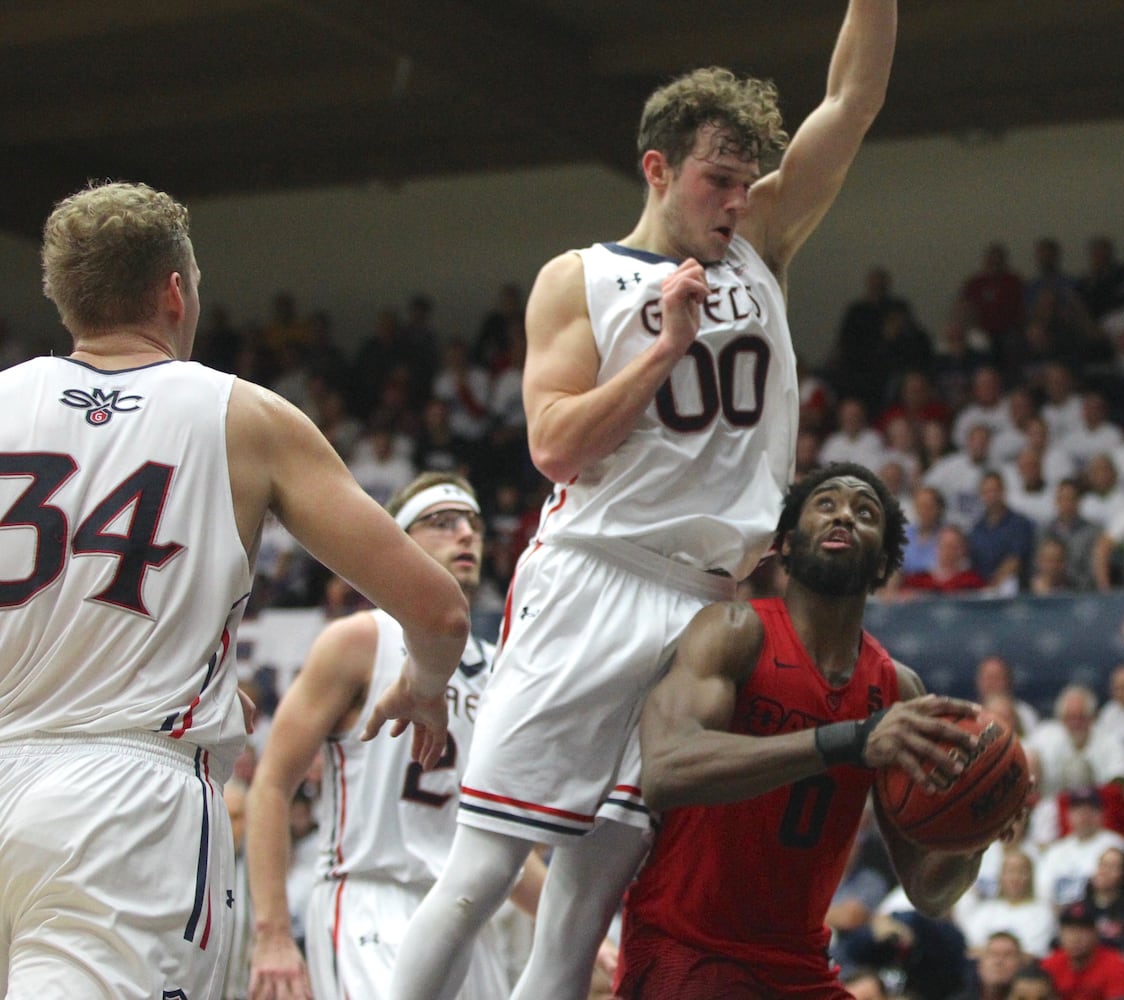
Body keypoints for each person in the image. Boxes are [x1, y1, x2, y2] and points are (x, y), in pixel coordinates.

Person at [389, 7, 899, 996]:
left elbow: (854, 98)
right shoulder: (579, 278)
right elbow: (555, 446)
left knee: (592, 889)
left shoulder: (761, 244)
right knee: (486, 868)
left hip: (704, 604)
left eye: (749, 181)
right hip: (594, 578)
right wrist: (666, 347)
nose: (737, 199)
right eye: (718, 177)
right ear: (658, 168)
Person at [0, 181, 471, 997]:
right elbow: (437, 609)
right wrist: (426, 687)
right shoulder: (242, 414)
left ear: (65, 297)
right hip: (123, 810)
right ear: (175, 292)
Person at [617, 463, 1006, 997]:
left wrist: (977, 828)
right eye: (826, 504)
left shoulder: (898, 690)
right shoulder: (732, 631)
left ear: (883, 564)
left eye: (865, 512)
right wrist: (848, 739)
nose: (844, 513)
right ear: (786, 545)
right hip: (686, 946)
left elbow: (928, 892)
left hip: (798, 964)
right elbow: (666, 769)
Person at [245, 473, 546, 999]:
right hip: (370, 896)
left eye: (473, 523)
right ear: (401, 541)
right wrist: (271, 933)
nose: (466, 535)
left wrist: (571, 927)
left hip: (464, 911)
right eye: (443, 522)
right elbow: (270, 784)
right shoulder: (359, 640)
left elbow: (493, 833)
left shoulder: (502, 669)